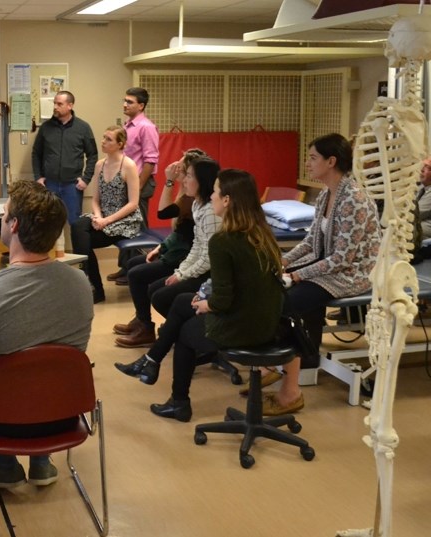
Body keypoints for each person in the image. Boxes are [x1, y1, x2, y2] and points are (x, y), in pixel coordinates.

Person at [0, 180, 93, 489]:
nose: (1, 218)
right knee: (45, 367)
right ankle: (42, 460)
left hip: (8, 425)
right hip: (64, 416)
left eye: (5, 214)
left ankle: (7, 465)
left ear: (14, 226)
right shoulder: (82, 285)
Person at [138, 169, 285, 422]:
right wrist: (205, 300)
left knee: (184, 332)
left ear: (227, 200)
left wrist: (208, 304)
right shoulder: (263, 233)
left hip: (243, 328)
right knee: (183, 301)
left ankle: (178, 401)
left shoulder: (223, 241)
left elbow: (223, 300)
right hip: (269, 323)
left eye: (216, 192)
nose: (212, 197)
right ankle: (151, 360)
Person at [268, 133, 380, 415]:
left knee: (283, 303)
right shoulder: (326, 196)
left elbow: (342, 259)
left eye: (313, 158)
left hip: (352, 274)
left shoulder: (353, 199)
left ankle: (289, 379)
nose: (308, 163)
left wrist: (297, 275)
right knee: (272, 289)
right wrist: (284, 260)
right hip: (329, 266)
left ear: (331, 161)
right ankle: (294, 362)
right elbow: (310, 242)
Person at [112, 157, 221, 351]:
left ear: (202, 180)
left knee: (158, 293)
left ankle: (183, 332)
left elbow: (208, 257)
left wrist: (181, 274)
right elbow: (197, 244)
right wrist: (179, 270)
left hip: (209, 272)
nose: (184, 179)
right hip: (190, 261)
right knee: (150, 284)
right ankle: (175, 329)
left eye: (188, 175)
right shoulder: (197, 204)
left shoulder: (210, 211)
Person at [71, 125, 143, 303]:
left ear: (120, 144)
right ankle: (93, 285)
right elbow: (95, 199)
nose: (103, 142)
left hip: (124, 219)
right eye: (103, 137)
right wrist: (97, 217)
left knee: (82, 240)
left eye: (108, 139)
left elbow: (133, 203)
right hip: (103, 216)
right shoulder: (99, 165)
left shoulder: (129, 165)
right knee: (77, 226)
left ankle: (93, 286)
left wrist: (107, 220)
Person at [107, 86, 159, 282]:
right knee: (125, 226)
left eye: (129, 102)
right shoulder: (128, 127)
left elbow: (150, 160)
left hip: (140, 184)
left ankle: (138, 270)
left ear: (141, 105)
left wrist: (136, 185)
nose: (125, 104)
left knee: (137, 228)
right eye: (124, 100)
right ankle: (126, 267)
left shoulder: (147, 127)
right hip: (126, 184)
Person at [31, 90, 98, 224]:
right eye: (54, 103)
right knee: (49, 223)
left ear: (70, 106)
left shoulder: (83, 128)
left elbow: (93, 154)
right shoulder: (46, 127)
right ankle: (55, 247)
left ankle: (76, 246)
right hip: (49, 184)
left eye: (59, 104)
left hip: (72, 186)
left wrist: (86, 179)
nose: (55, 107)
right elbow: (36, 153)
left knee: (75, 223)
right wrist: (38, 177)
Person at [416, 156, 431, 239]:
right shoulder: (421, 187)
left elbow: (416, 214)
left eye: (428, 168)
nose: (422, 170)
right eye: (424, 166)